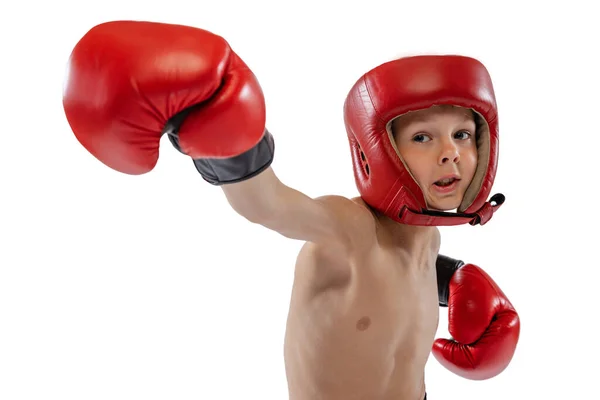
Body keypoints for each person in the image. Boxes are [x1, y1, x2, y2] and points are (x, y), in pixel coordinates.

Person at [63, 20, 521, 400]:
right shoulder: (349, 230)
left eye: (463, 134)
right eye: (423, 137)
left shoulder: (430, 240)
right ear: (378, 151)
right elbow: (267, 204)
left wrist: (452, 278)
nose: (451, 153)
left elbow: (393, 277)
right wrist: (227, 139)